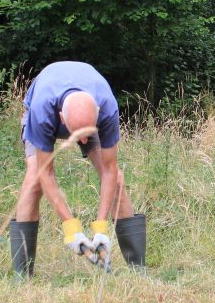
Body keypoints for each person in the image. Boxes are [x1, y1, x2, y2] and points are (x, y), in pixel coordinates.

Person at [10, 61, 146, 279]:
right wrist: (71, 228)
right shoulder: (42, 109)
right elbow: (47, 173)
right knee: (35, 178)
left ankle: (139, 270)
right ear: (62, 120)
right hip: (46, 111)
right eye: (78, 136)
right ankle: (22, 275)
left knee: (117, 180)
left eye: (87, 135)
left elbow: (109, 170)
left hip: (85, 113)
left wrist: (101, 228)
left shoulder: (106, 106)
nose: (83, 141)